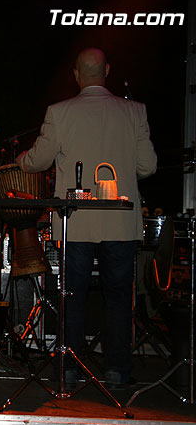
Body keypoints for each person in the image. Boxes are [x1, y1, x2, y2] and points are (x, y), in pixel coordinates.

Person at [17, 48, 157, 388]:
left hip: (75, 223)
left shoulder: (59, 112)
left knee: (72, 296)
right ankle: (116, 370)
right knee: (118, 297)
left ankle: (68, 368)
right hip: (120, 223)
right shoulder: (134, 111)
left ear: (76, 75)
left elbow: (38, 161)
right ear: (107, 70)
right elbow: (148, 166)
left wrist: (21, 159)